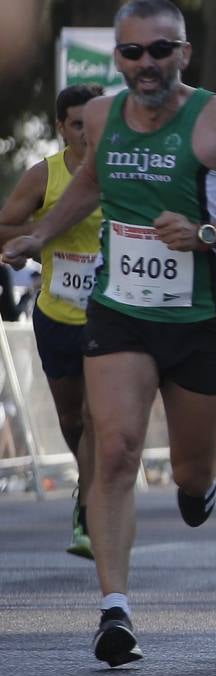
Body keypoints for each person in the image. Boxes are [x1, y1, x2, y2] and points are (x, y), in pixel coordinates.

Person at [3, 0, 216, 667]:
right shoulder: (101, 117)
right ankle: (115, 611)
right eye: (132, 52)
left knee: (188, 470)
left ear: (183, 53)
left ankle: (198, 487)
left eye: (161, 50)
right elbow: (91, 185)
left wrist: (206, 233)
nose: (147, 64)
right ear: (118, 58)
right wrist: (38, 234)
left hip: (198, 321)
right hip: (120, 310)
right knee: (117, 449)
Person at [0, 84, 105, 559]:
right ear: (61, 127)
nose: (86, 132)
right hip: (58, 313)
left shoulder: (121, 172)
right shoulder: (44, 175)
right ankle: (86, 484)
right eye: (77, 124)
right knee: (71, 417)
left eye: (94, 122)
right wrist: (41, 233)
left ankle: (88, 508)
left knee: (95, 417)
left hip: (113, 314)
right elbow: (4, 230)